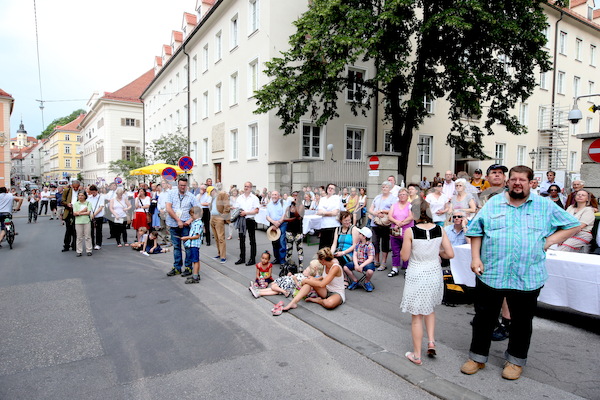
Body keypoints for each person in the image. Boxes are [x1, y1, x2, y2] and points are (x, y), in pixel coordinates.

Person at [461, 165, 579, 380]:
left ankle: (515, 361)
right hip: (492, 272)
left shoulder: (544, 205)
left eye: (522, 180)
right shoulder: (493, 204)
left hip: (528, 275)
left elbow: (573, 225)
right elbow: (476, 231)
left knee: (522, 321)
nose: (517, 183)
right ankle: (477, 357)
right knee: (483, 318)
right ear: (507, 181)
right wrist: (475, 258)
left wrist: (549, 241)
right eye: (513, 179)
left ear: (530, 183)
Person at [400, 200, 454, 365]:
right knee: (429, 308)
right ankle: (431, 341)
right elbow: (450, 254)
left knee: (417, 316)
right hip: (434, 272)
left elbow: (404, 257)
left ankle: (417, 355)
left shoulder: (410, 231)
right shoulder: (440, 229)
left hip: (417, 273)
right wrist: (436, 251)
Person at [282, 247, 345, 312]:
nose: (318, 261)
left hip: (337, 293)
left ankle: (318, 300)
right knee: (309, 282)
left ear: (323, 260)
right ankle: (293, 303)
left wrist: (307, 280)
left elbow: (322, 284)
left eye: (319, 259)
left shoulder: (335, 267)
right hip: (326, 290)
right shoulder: (326, 264)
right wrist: (314, 279)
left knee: (328, 304)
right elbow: (325, 277)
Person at [166, 177, 198, 277]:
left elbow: (198, 210)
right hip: (173, 224)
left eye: (184, 185)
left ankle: (188, 267)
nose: (182, 187)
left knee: (187, 246)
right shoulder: (171, 193)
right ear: (178, 185)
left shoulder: (191, 196)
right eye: (181, 185)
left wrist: (189, 220)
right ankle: (177, 267)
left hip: (185, 225)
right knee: (176, 247)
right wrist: (178, 220)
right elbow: (168, 208)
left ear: (187, 185)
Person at [249, 259, 323, 298]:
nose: (305, 270)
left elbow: (300, 287)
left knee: (275, 289)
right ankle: (258, 291)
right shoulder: (304, 276)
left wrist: (295, 279)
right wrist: (291, 275)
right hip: (287, 281)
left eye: (306, 270)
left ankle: (260, 293)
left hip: (289, 285)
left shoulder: (306, 279)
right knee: (274, 288)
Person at [368, 181, 395, 271]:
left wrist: (383, 211)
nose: (384, 189)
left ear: (390, 188)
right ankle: (376, 260)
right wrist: (375, 213)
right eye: (383, 187)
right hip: (375, 222)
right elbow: (371, 208)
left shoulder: (393, 198)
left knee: (385, 243)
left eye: (386, 187)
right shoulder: (377, 197)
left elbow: (394, 209)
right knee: (375, 242)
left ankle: (384, 262)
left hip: (386, 223)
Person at [388, 188, 414, 277]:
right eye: (400, 194)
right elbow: (390, 216)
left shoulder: (410, 205)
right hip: (395, 231)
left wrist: (400, 224)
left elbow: (411, 217)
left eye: (404, 194)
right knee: (395, 250)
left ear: (407, 196)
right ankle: (394, 268)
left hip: (406, 231)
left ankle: (407, 268)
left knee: (406, 250)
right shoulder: (394, 205)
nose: (402, 196)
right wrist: (396, 222)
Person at [233, 181, 260, 266]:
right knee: (242, 239)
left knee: (252, 240)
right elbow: (236, 208)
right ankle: (242, 258)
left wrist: (246, 213)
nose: (246, 188)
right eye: (245, 186)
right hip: (241, 219)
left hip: (250, 219)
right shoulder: (240, 197)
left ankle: (252, 259)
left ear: (251, 188)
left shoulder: (254, 198)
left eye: (248, 186)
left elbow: (256, 210)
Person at [344, 227, 376, 292]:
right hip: (358, 262)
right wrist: (356, 265)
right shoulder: (358, 244)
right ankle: (355, 280)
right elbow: (355, 255)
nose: (358, 234)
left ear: (364, 237)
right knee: (345, 267)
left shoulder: (370, 245)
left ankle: (367, 281)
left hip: (366, 263)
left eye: (360, 234)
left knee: (370, 271)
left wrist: (361, 266)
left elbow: (370, 258)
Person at [182, 206, 204, 284]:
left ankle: (195, 276)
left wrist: (187, 238)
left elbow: (197, 236)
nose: (191, 217)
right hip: (192, 244)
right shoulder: (195, 222)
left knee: (195, 260)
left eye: (192, 215)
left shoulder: (198, 223)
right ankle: (196, 274)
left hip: (195, 244)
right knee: (195, 260)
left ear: (197, 214)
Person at [316, 183, 341, 249]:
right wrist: (330, 213)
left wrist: (324, 213)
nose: (330, 189)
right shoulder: (322, 199)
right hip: (324, 225)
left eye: (332, 188)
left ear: (335, 191)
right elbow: (319, 211)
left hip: (333, 224)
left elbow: (335, 212)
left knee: (331, 245)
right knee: (323, 246)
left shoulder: (336, 198)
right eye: (329, 188)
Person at [209, 186, 230, 263]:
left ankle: (223, 256)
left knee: (221, 237)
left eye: (211, 192)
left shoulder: (222, 194)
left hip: (219, 217)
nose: (211, 194)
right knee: (216, 237)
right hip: (212, 217)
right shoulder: (213, 197)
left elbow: (227, 206)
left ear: (214, 190)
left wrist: (223, 216)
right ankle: (219, 253)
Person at [266, 190, 287, 264]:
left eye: (275, 195)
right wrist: (274, 223)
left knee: (282, 241)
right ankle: (277, 258)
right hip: (273, 223)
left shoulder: (283, 203)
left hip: (282, 224)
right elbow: (267, 216)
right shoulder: (269, 204)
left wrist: (279, 222)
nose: (274, 196)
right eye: (273, 195)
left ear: (279, 196)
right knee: (274, 241)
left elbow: (285, 214)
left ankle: (282, 260)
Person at [283, 198, 304, 270]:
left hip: (298, 232)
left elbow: (298, 215)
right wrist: (292, 219)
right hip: (289, 231)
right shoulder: (288, 207)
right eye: (294, 197)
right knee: (289, 250)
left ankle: (300, 268)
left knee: (300, 251)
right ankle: (287, 267)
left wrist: (291, 218)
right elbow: (285, 218)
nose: (295, 199)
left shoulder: (301, 206)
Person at [62, 180, 81, 252]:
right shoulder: (67, 191)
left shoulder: (81, 192)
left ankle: (74, 245)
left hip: (77, 213)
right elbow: (62, 200)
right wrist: (67, 204)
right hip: (69, 212)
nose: (76, 188)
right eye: (74, 187)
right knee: (68, 230)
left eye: (77, 187)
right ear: (72, 186)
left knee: (76, 230)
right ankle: (66, 245)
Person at [73, 191, 93, 257]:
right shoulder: (76, 204)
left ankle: (89, 250)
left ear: (85, 196)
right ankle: (79, 251)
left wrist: (79, 213)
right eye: (79, 195)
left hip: (86, 221)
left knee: (88, 236)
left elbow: (88, 212)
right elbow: (74, 213)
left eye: (82, 195)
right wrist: (83, 211)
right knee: (79, 237)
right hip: (78, 222)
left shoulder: (88, 203)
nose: (80, 197)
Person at [87, 185, 105, 250]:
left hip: (98, 216)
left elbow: (101, 207)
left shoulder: (101, 197)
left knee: (98, 230)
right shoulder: (89, 197)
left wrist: (94, 214)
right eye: (91, 192)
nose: (93, 193)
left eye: (94, 192)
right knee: (90, 230)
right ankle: (91, 243)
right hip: (90, 216)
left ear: (97, 191)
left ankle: (98, 244)